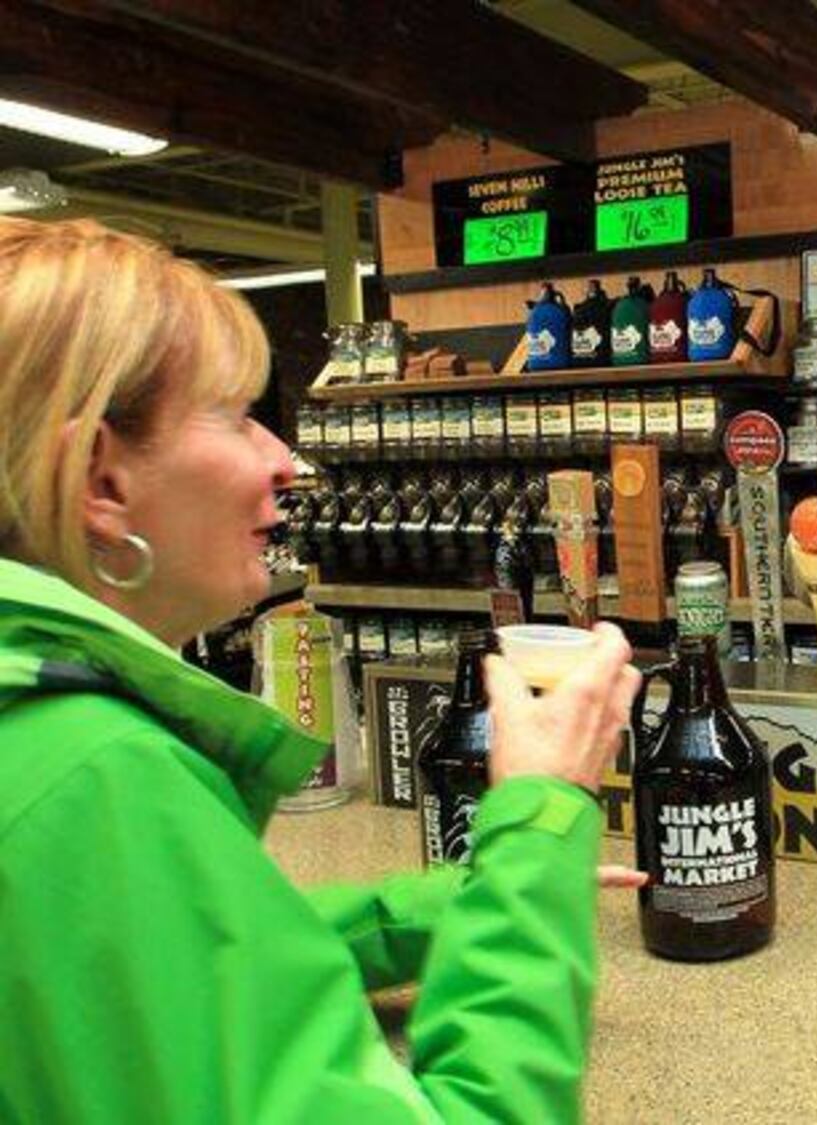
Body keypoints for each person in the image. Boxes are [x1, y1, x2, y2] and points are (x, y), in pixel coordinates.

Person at [0, 217, 642, 1123]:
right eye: (233, 416)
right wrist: (539, 821)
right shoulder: (94, 777)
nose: (287, 461)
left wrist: (469, 898)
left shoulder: (34, 732)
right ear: (101, 481)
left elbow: (174, 958)